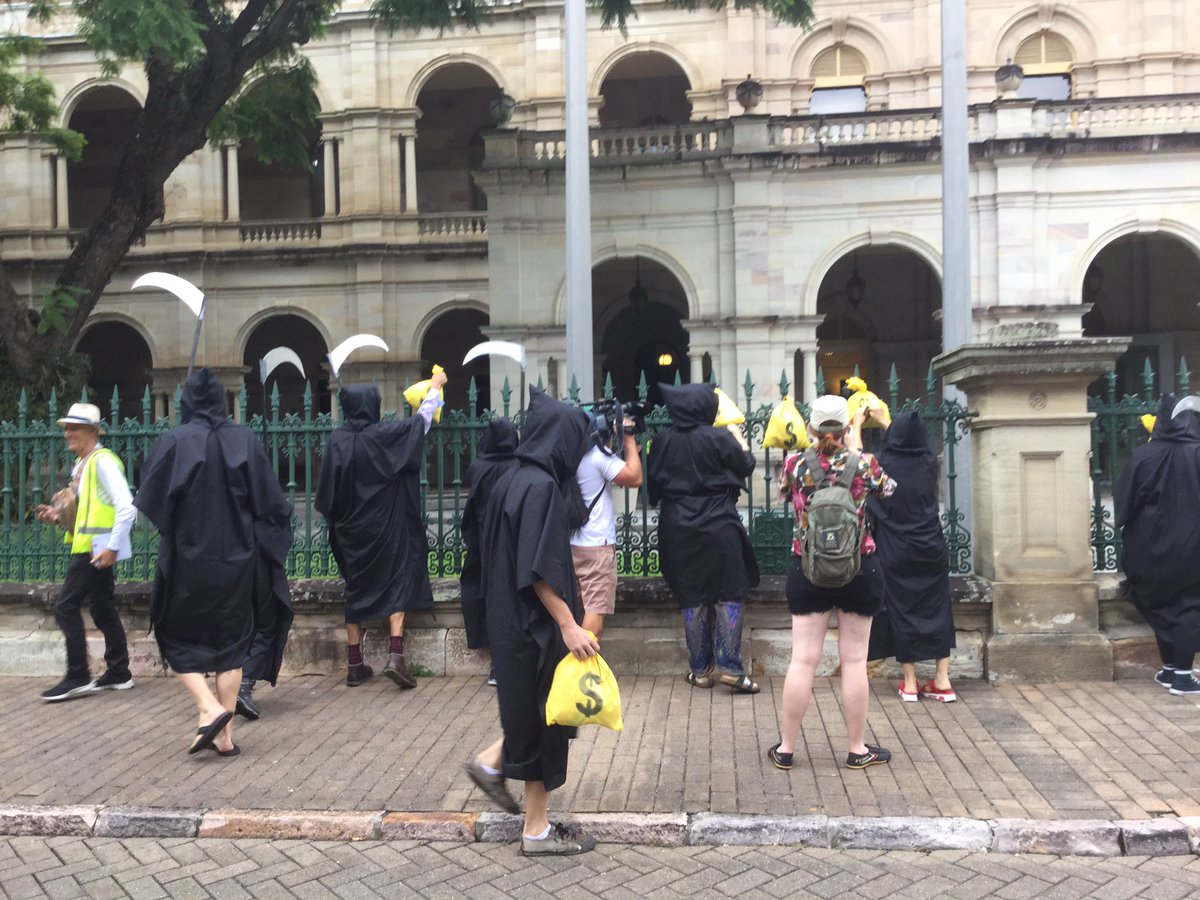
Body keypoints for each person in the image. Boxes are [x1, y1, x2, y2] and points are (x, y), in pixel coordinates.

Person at [463, 388, 600, 857]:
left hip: (508, 621)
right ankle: (535, 831)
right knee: (546, 723)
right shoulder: (540, 487)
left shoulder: (510, 478)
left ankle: (498, 770)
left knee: (537, 719)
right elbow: (538, 568)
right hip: (535, 627)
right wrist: (568, 624)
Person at [134, 369, 293, 757]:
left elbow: (151, 500)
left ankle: (209, 710)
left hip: (189, 559)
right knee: (232, 646)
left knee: (174, 638)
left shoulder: (175, 441)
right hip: (238, 560)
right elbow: (270, 504)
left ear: (187, 401)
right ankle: (225, 736)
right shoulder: (244, 440)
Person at [768, 394, 896, 772]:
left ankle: (787, 748)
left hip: (808, 568)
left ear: (811, 427)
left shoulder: (795, 463)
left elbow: (782, 494)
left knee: (803, 660)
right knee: (854, 660)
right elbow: (889, 490)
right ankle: (857, 749)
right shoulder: (864, 464)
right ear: (845, 427)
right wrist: (856, 446)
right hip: (859, 567)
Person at [315, 371, 446, 688]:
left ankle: (354, 663)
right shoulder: (384, 435)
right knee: (397, 579)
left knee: (355, 588)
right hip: (386, 526)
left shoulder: (338, 441)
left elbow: (327, 494)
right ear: (372, 406)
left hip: (350, 531)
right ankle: (396, 655)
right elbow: (420, 424)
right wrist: (435, 389)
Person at [646, 383, 760, 693]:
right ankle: (731, 668)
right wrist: (737, 434)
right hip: (719, 522)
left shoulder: (662, 440)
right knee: (730, 592)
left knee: (691, 595)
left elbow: (653, 489)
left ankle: (700, 670)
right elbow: (746, 465)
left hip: (677, 526)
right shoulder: (719, 437)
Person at [35, 402, 135, 702]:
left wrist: (113, 547)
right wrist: (57, 515)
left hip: (96, 550)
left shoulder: (102, 462)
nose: (67, 433)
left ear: (92, 431)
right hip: (93, 547)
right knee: (102, 606)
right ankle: (119, 673)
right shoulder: (85, 464)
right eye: (66, 428)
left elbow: (127, 508)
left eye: (73, 428)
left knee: (65, 606)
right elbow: (88, 511)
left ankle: (78, 675)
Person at [866, 411, 957, 703]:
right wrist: (888, 422)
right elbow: (908, 441)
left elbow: (861, 459)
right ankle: (942, 680)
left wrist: (860, 424)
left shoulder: (884, 465)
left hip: (897, 547)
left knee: (901, 609)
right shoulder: (929, 463)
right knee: (938, 607)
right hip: (931, 545)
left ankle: (909, 682)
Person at [1115, 393, 1200, 695]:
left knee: (1161, 604)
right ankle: (1181, 676)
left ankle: (1169, 670)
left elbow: (1123, 504)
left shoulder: (1142, 455)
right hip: (1192, 548)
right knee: (1188, 606)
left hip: (1146, 548)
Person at [570, 412, 642, 639]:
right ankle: (582, 669)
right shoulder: (598, 457)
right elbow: (634, 477)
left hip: (570, 543)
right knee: (595, 612)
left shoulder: (567, 457)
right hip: (596, 545)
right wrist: (628, 438)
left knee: (577, 609)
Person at [461, 417, 520, 686]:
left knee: (492, 600)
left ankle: (497, 663)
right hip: (515, 540)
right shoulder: (519, 465)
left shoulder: (478, 467)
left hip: (485, 542)